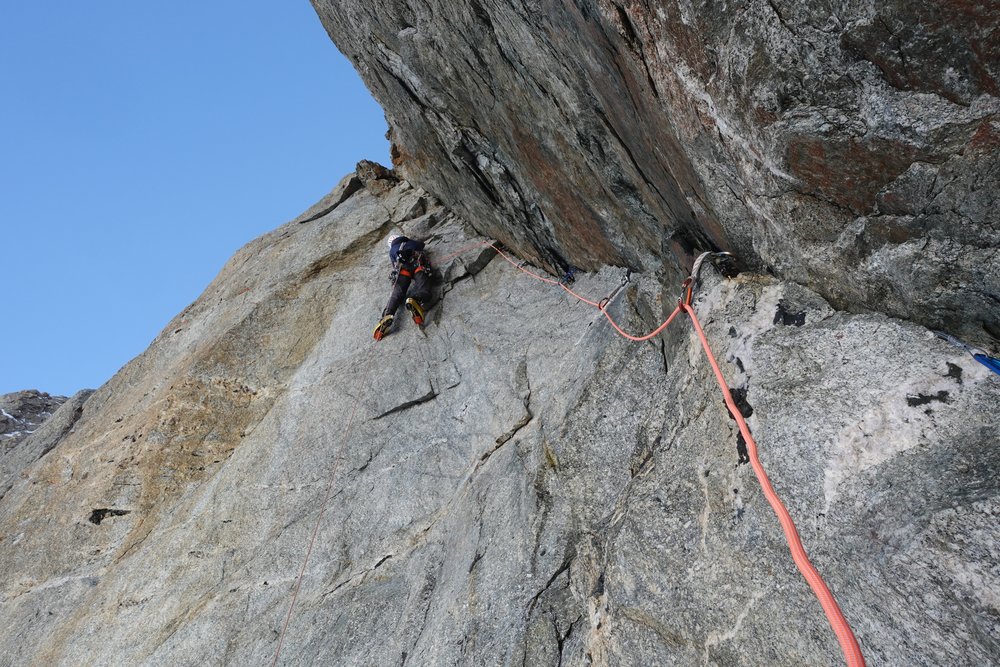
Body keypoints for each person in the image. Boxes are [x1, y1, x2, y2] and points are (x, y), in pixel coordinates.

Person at [373, 234, 432, 340]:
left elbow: (394, 264)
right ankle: (415, 299)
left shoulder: (392, 251)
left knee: (397, 294)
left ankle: (387, 314)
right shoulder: (409, 242)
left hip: (402, 270)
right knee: (424, 289)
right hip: (418, 264)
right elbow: (421, 245)